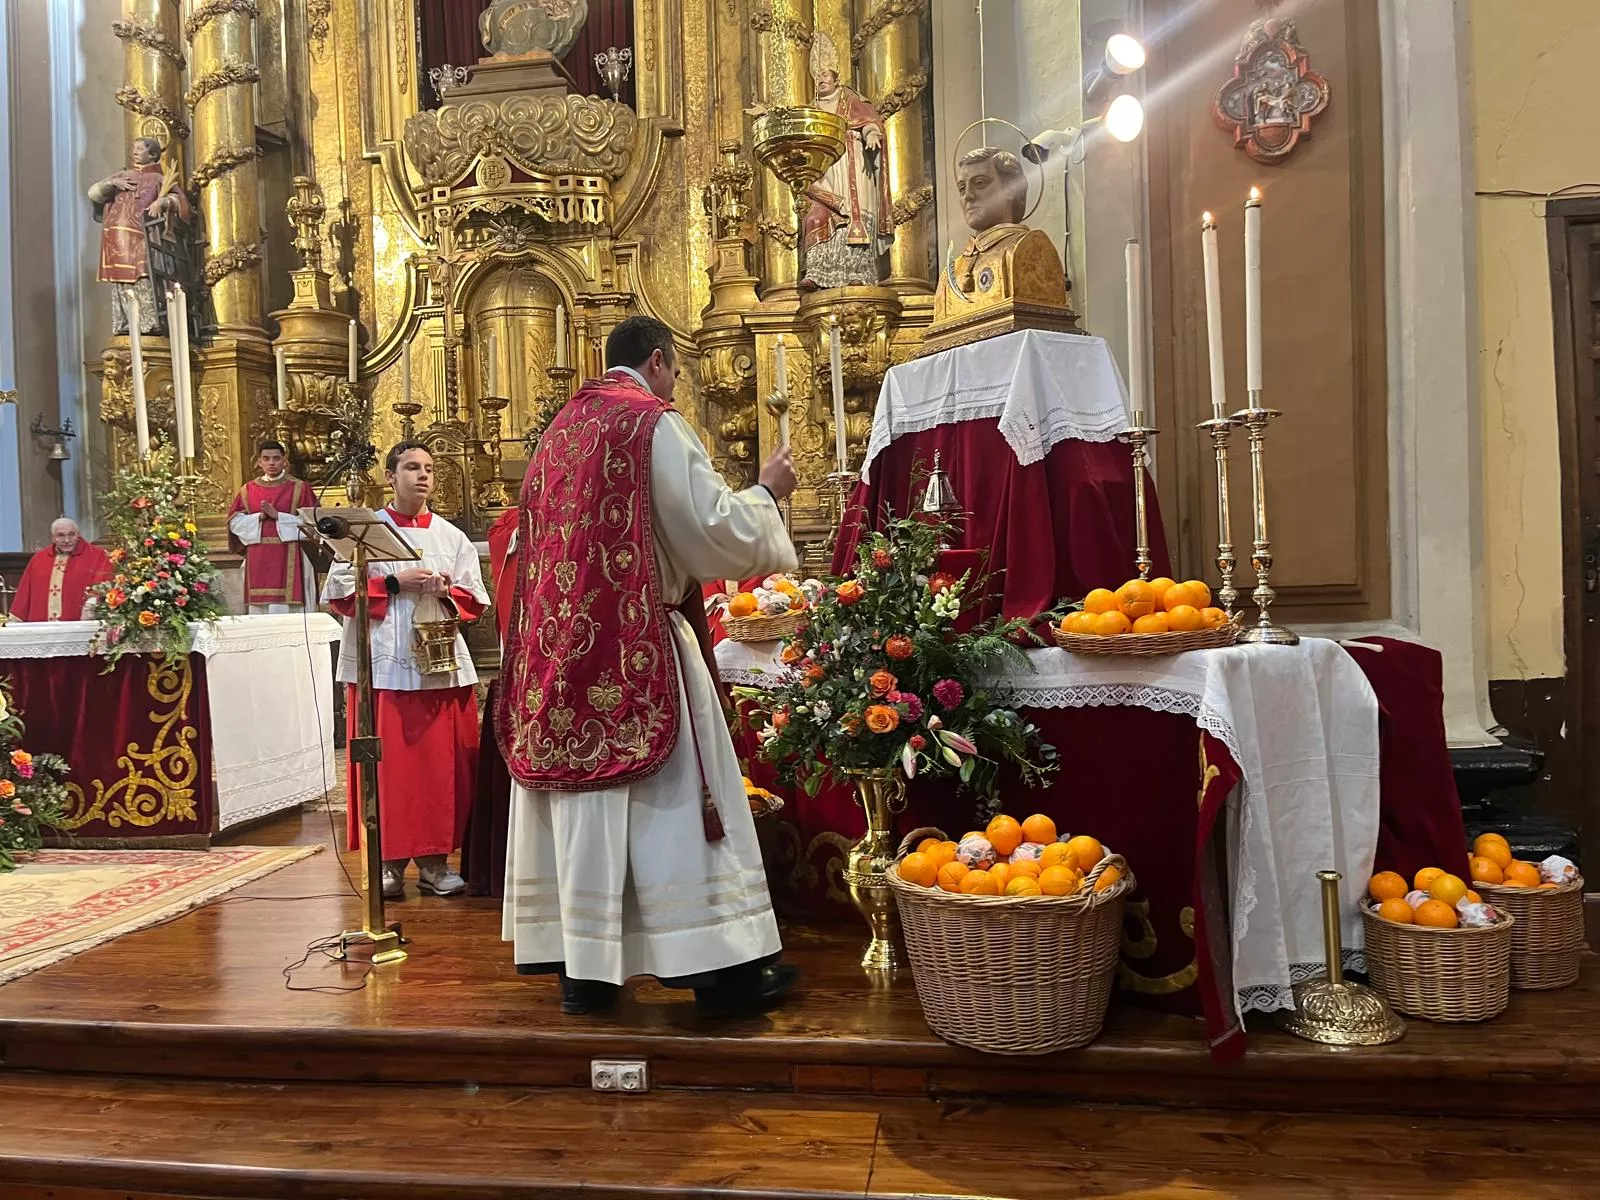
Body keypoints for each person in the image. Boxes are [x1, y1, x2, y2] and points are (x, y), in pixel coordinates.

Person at [496, 314, 801, 1018]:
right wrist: (766, 494)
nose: (676, 387)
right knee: (674, 810)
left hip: (556, 658)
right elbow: (711, 531)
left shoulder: (555, 437)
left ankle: (585, 971)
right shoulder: (649, 424)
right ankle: (718, 972)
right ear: (659, 362)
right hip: (637, 645)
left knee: (584, 805)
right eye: (677, 375)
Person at [322, 442, 490, 899]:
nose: (423, 476)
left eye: (429, 468)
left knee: (438, 769)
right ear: (390, 477)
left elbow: (476, 601)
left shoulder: (450, 536)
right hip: (383, 665)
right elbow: (338, 593)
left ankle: (436, 863)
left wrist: (445, 589)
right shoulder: (364, 531)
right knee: (389, 767)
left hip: (436, 666)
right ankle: (389, 862)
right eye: (412, 468)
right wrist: (394, 582)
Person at [798, 33, 894, 290]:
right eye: (817, 76)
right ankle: (818, 273)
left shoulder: (850, 100)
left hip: (852, 164)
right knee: (817, 216)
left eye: (825, 75)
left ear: (836, 78)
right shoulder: (811, 109)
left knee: (855, 216)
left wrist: (871, 133)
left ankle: (857, 273)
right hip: (824, 171)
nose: (820, 80)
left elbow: (869, 121)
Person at [88, 136, 190, 336]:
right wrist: (111, 183)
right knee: (119, 279)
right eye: (134, 148)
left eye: (139, 149)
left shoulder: (160, 179)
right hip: (116, 237)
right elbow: (94, 194)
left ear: (152, 154)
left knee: (143, 275)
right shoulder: (122, 175)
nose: (134, 152)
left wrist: (163, 202)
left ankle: (148, 322)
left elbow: (183, 204)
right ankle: (123, 323)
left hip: (143, 237)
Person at [227, 442, 315, 615]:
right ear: (259, 462)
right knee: (259, 617)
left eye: (276, 458)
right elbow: (234, 523)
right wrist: (257, 518)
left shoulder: (299, 488)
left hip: (290, 557)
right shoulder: (247, 490)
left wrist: (279, 517)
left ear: (284, 461)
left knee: (287, 614)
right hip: (258, 560)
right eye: (266, 459)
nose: (271, 463)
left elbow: (312, 524)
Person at [10, 519, 114, 622]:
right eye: (61, 535)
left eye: (71, 535)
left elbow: (104, 583)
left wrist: (92, 604)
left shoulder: (97, 556)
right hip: (42, 628)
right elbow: (24, 594)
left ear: (78, 535)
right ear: (53, 538)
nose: (67, 540)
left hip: (79, 628)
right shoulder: (39, 559)